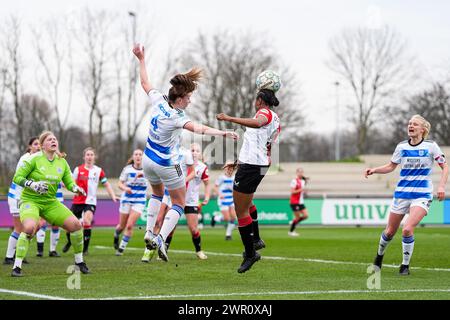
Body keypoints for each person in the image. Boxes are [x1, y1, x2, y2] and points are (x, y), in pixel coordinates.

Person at [132, 43, 237, 262]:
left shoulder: (159, 100)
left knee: (157, 194)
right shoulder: (177, 117)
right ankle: (160, 238)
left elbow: (144, 82)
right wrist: (223, 133)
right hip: (165, 162)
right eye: (188, 97)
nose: (189, 100)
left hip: (148, 160)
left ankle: (150, 232)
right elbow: (200, 129)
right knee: (178, 202)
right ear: (179, 99)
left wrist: (141, 58)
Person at [365, 115, 448, 275]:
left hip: (422, 195)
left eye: (414, 124)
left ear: (422, 129)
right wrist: (374, 170)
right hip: (402, 193)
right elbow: (391, 166)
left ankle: (404, 266)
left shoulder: (431, 146)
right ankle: (379, 256)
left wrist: (442, 186)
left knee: (407, 229)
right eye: (409, 123)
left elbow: (445, 167)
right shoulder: (402, 147)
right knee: (389, 232)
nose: (410, 126)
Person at [217, 88, 281, 273]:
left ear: (260, 100)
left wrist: (229, 118)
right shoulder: (274, 117)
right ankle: (256, 239)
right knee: (247, 202)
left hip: (252, 166)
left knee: (241, 210)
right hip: (256, 164)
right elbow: (258, 145)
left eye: (256, 99)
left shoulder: (264, 113)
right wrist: (237, 163)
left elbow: (257, 123)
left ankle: (251, 253)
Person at [10, 131, 89, 276]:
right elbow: (17, 177)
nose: (53, 141)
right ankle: (17, 267)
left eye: (55, 139)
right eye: (49, 139)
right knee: (28, 228)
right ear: (42, 145)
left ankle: (79, 262)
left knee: (77, 226)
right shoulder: (33, 159)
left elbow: (69, 182)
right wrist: (32, 184)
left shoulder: (62, 161)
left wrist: (75, 188)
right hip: (30, 200)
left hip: (51, 202)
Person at [141, 147, 195, 262]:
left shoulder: (186, 153)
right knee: (158, 219)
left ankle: (162, 246)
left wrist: (181, 181)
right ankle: (148, 251)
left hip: (176, 190)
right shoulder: (164, 149)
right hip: (165, 192)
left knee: (170, 225)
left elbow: (192, 172)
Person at [62, 147, 117, 255]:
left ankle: (85, 249)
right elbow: (72, 183)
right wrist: (63, 184)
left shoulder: (99, 171)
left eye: (91, 155)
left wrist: (113, 196)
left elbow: (106, 184)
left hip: (90, 201)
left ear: (94, 157)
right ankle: (69, 242)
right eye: (87, 155)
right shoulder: (78, 170)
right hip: (77, 201)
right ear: (84, 157)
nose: (89, 157)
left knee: (87, 222)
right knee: (69, 226)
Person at [4, 137, 40, 265]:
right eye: (35, 144)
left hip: (26, 198)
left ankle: (19, 251)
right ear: (30, 146)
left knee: (34, 227)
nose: (38, 146)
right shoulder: (26, 159)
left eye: (40, 144)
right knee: (20, 228)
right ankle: (9, 257)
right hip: (17, 197)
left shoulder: (37, 159)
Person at [114, 149, 149, 256]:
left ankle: (121, 249)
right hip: (126, 200)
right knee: (121, 226)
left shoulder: (147, 170)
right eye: (136, 154)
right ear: (133, 157)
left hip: (139, 201)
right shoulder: (127, 169)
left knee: (129, 226)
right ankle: (116, 235)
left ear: (143, 157)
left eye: (140, 155)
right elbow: (119, 184)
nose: (138, 156)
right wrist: (125, 188)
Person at [183, 143, 210, 259]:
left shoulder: (202, 167)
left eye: (197, 151)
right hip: (177, 199)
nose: (194, 153)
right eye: (192, 150)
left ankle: (199, 251)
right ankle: (164, 251)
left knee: (193, 229)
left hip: (191, 201)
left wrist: (207, 197)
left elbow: (207, 184)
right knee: (170, 228)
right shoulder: (182, 164)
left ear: (200, 154)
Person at [211, 161, 237, 241]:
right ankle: (215, 218)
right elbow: (214, 187)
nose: (230, 170)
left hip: (231, 199)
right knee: (226, 218)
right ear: (225, 169)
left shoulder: (234, 178)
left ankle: (228, 235)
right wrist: (219, 194)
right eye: (228, 168)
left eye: (231, 168)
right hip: (223, 199)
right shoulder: (222, 177)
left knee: (233, 217)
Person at [288, 168, 309, 236]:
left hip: (301, 202)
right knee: (297, 217)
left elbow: (302, 189)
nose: (301, 173)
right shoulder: (294, 181)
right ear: (297, 173)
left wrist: (304, 191)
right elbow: (292, 191)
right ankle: (291, 231)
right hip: (294, 202)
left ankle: (294, 222)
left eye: (302, 172)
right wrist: (301, 190)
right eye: (299, 172)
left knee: (306, 216)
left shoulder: (302, 181)